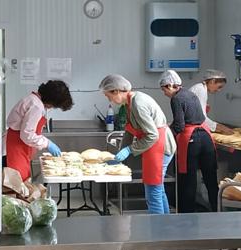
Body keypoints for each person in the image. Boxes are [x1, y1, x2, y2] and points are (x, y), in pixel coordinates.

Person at [99, 74, 177, 214]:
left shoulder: (138, 103)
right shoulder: (130, 102)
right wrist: (120, 154)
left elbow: (153, 135)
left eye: (107, 95)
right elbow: (130, 130)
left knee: (153, 193)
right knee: (158, 191)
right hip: (154, 146)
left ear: (116, 91)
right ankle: (166, 228)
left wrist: (129, 150)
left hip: (159, 146)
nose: (108, 99)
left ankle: (157, 232)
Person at [161, 70, 219, 213]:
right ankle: (218, 211)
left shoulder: (176, 99)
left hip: (191, 141)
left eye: (163, 90)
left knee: (188, 181)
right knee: (211, 180)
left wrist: (164, 134)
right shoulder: (190, 94)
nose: (164, 94)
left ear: (169, 86)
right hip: (206, 138)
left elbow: (180, 126)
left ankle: (186, 218)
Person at [4, 80, 73, 181]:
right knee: (18, 180)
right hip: (18, 144)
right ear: (50, 100)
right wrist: (47, 143)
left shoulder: (33, 99)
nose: (51, 107)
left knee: (22, 179)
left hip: (21, 144)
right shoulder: (36, 106)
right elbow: (27, 135)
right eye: (53, 105)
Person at [189, 69, 233, 135]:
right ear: (213, 81)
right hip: (191, 131)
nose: (219, 90)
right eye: (219, 87)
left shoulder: (199, 88)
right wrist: (221, 128)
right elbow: (201, 118)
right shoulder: (201, 90)